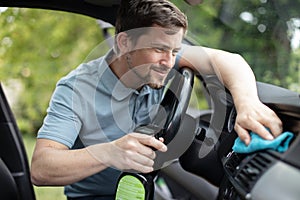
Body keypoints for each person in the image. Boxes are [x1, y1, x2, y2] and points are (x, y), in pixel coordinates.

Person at [31, 0, 283, 199]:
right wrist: (109, 153)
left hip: (148, 186)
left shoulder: (157, 64)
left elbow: (229, 60)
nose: (169, 61)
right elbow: (41, 167)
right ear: (124, 43)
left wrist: (247, 103)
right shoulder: (75, 89)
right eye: (159, 49)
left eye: (175, 51)